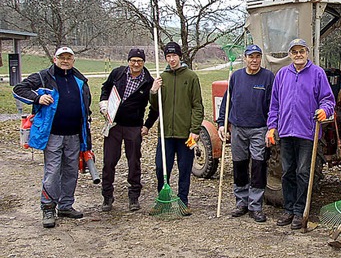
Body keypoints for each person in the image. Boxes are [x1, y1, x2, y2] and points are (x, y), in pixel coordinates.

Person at [13, 46, 91, 228]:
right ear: (54, 60)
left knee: (71, 171)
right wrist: (37, 98)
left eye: (68, 58)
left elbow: (85, 106)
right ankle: (48, 207)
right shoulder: (43, 77)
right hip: (53, 134)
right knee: (53, 171)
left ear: (73, 60)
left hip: (74, 134)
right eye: (61, 57)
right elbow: (19, 89)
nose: (65, 60)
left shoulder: (80, 80)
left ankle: (65, 205)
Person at [266, 38, 336, 230]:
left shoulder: (317, 73)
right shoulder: (282, 75)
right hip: (286, 131)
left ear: (307, 53)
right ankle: (288, 209)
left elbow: (328, 100)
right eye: (294, 51)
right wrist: (272, 126)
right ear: (290, 54)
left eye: (301, 51)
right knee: (288, 171)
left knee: (303, 172)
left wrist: (325, 110)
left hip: (308, 132)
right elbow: (274, 105)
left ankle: (300, 211)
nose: (298, 55)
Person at [217, 44, 274, 223]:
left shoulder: (268, 77)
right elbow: (227, 102)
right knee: (239, 165)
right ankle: (241, 202)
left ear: (261, 58)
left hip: (259, 128)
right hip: (238, 128)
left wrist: (271, 127)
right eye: (251, 57)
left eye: (257, 56)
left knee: (258, 166)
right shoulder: (236, 77)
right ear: (245, 58)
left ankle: (255, 206)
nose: (254, 60)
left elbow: (273, 105)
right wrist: (221, 124)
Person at [99, 48, 158, 212]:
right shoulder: (117, 73)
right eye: (133, 60)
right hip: (114, 125)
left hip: (134, 127)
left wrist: (147, 125)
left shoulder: (148, 82)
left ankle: (133, 197)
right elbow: (105, 88)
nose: (136, 64)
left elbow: (155, 108)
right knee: (109, 161)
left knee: (134, 162)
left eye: (139, 61)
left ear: (144, 62)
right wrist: (104, 103)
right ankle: (107, 196)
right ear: (128, 61)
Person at [149, 41, 204, 216]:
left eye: (174, 56)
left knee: (185, 168)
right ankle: (162, 198)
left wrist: (195, 130)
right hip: (165, 133)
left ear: (180, 56)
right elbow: (155, 107)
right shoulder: (161, 79)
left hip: (185, 133)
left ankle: (183, 201)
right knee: (161, 167)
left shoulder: (191, 77)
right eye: (168, 56)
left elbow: (197, 106)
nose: (171, 59)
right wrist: (153, 90)